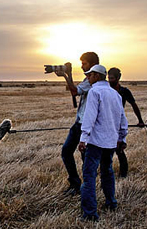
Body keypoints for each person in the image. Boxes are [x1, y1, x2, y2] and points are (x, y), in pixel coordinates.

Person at [78, 64, 128, 222]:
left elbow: (90, 116)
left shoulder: (95, 91)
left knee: (89, 176)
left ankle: (90, 213)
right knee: (107, 171)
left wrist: (83, 138)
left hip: (95, 142)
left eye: (90, 75)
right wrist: (122, 138)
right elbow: (122, 119)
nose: (87, 77)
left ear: (97, 76)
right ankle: (111, 202)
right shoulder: (115, 94)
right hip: (111, 142)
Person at [55, 52, 99, 196]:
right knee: (67, 152)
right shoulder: (88, 80)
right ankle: (76, 184)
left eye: (84, 63)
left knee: (85, 157)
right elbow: (75, 90)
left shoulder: (93, 80)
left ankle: (85, 188)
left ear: (93, 64)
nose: (82, 66)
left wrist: (66, 76)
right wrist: (69, 75)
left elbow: (74, 91)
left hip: (85, 125)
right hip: (78, 123)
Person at [108, 67, 145, 178]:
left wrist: (140, 120)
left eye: (112, 78)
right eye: (108, 78)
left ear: (118, 78)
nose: (110, 80)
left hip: (118, 123)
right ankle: (107, 172)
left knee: (119, 149)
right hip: (106, 123)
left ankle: (123, 174)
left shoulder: (124, 91)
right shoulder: (106, 90)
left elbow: (134, 105)